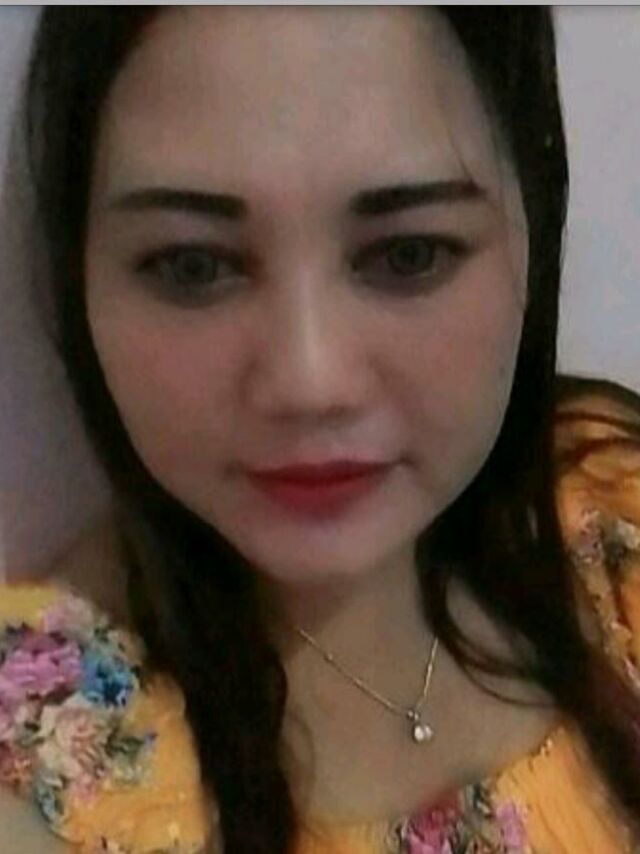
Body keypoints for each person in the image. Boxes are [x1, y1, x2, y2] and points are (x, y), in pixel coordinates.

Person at [0, 6, 639, 853]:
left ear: (532, 223)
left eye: (408, 254)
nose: (311, 383)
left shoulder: (603, 503)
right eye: (193, 265)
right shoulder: (49, 759)